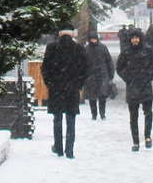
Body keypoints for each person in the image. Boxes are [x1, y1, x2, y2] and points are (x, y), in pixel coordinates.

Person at [40, 24, 88, 158]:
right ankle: (69, 150)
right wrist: (78, 84)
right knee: (71, 120)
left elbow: (45, 68)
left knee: (57, 119)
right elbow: (85, 70)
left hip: (56, 90)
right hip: (72, 90)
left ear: (60, 34)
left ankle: (59, 148)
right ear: (72, 34)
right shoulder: (78, 49)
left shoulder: (52, 48)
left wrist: (50, 83)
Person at [117, 27, 153, 150]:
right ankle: (135, 141)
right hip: (132, 87)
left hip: (145, 85)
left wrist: (149, 77)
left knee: (148, 113)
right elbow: (119, 68)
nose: (135, 40)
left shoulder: (148, 51)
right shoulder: (126, 52)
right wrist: (128, 78)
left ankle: (147, 136)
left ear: (140, 38)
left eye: (136, 38)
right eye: (133, 38)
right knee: (133, 116)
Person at [84, 29, 115, 120]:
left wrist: (111, 73)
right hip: (91, 75)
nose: (93, 41)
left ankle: (102, 113)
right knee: (92, 97)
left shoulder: (103, 48)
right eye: (91, 39)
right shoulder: (87, 49)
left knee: (102, 95)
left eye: (94, 39)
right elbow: (83, 63)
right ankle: (94, 114)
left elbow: (109, 61)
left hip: (102, 74)